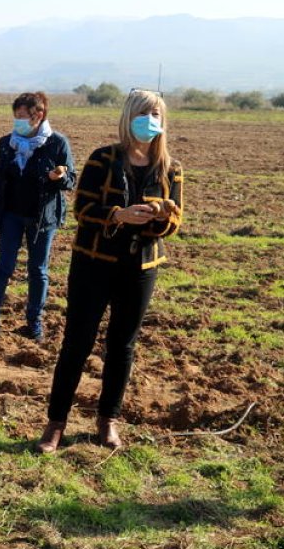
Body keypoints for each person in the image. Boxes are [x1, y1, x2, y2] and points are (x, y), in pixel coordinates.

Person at [36, 89, 183, 453]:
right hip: (93, 264)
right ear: (128, 116)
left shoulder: (170, 168)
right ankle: (55, 423)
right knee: (77, 343)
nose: (149, 122)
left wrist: (160, 214)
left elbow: (176, 220)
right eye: (143, 114)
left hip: (140, 266)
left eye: (156, 115)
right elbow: (83, 208)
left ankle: (108, 421)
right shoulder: (103, 159)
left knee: (122, 345)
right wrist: (118, 215)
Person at [0, 92, 76, 342]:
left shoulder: (57, 143)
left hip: (42, 218)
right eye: (16, 117)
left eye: (23, 117)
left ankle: (35, 323)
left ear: (39, 115)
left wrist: (59, 178)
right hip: (10, 214)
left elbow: (71, 180)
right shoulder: (6, 143)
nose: (18, 122)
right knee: (4, 266)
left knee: (38, 270)